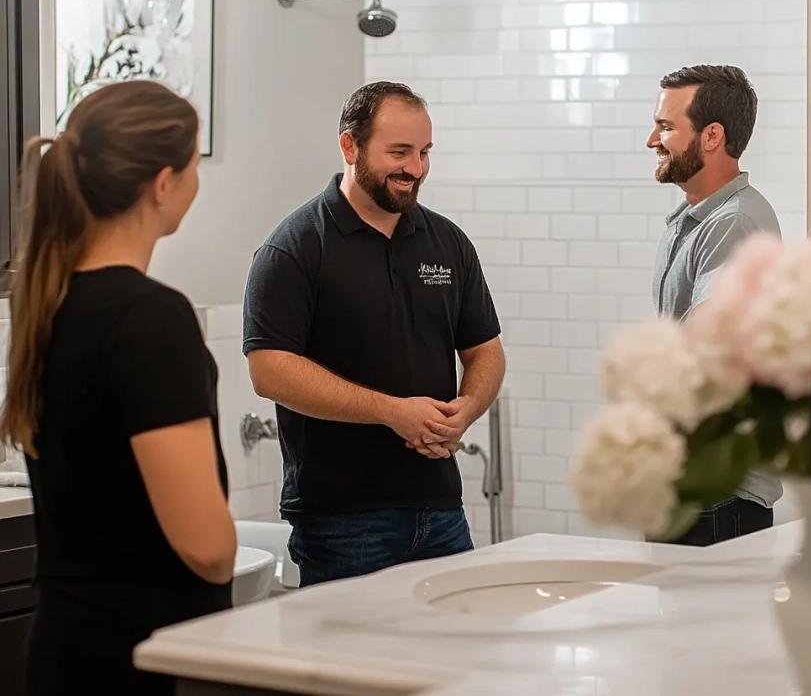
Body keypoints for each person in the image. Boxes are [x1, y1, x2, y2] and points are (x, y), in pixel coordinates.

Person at [0, 81, 237, 695]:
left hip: (64, 648)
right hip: (146, 657)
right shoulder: (150, 319)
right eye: (193, 166)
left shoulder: (46, 305)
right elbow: (207, 546)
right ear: (163, 183)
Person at [243, 81, 505, 587]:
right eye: (399, 152)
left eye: (425, 152)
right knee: (355, 665)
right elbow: (269, 370)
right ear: (350, 146)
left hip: (441, 509)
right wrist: (392, 412)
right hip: (342, 521)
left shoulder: (448, 242)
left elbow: (486, 351)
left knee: (453, 660)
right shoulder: (294, 249)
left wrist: (466, 411)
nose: (416, 168)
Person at [647, 64, 783, 546]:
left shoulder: (735, 223)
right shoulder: (694, 219)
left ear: (711, 136)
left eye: (666, 127)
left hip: (721, 495)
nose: (651, 140)